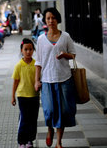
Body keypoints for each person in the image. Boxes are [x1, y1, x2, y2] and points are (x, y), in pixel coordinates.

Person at [34, 8, 76, 148]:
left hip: (64, 79)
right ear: (45, 21)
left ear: (57, 19)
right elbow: (38, 62)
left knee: (63, 111)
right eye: (48, 18)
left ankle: (59, 142)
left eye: (53, 18)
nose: (51, 21)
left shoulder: (66, 37)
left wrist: (65, 54)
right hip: (47, 80)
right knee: (50, 110)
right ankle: (50, 129)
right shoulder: (40, 39)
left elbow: (73, 55)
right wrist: (36, 80)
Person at [11, 38, 38, 148]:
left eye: (30, 49)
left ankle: (30, 140)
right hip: (22, 96)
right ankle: (22, 141)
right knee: (24, 119)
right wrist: (12, 96)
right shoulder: (18, 65)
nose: (28, 52)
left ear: (33, 50)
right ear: (21, 50)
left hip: (34, 96)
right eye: (26, 49)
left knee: (33, 119)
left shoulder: (36, 65)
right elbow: (15, 82)